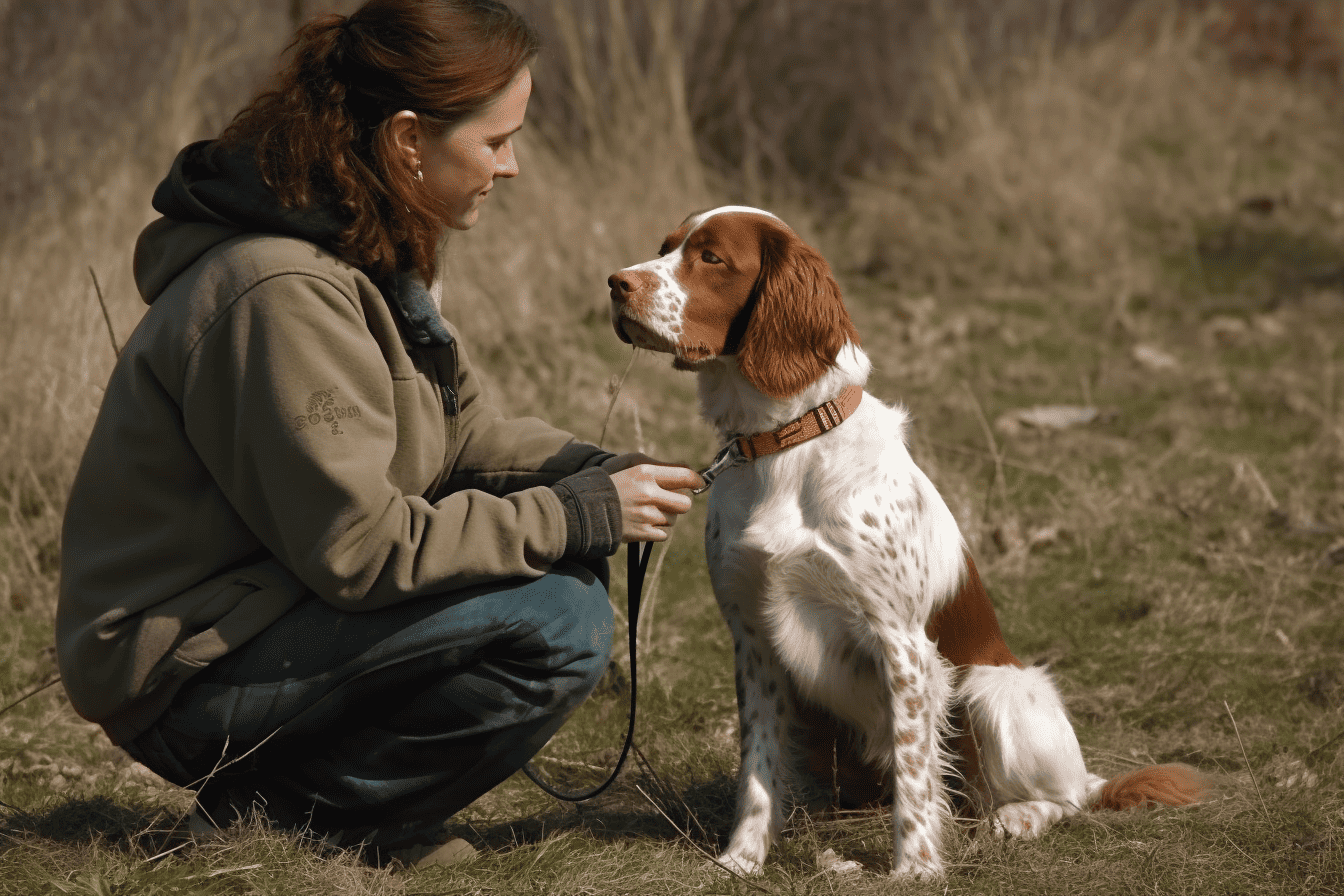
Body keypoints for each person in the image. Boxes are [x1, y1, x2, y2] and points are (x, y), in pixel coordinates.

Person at [55, 0, 701, 864]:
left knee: (562, 554)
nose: (511, 167)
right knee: (553, 615)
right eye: (495, 140)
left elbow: (465, 438)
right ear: (407, 140)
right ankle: (292, 818)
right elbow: (361, 549)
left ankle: (341, 812)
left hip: (270, 610)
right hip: (184, 669)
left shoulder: (363, 246)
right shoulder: (278, 292)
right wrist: (577, 513)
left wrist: (602, 473)